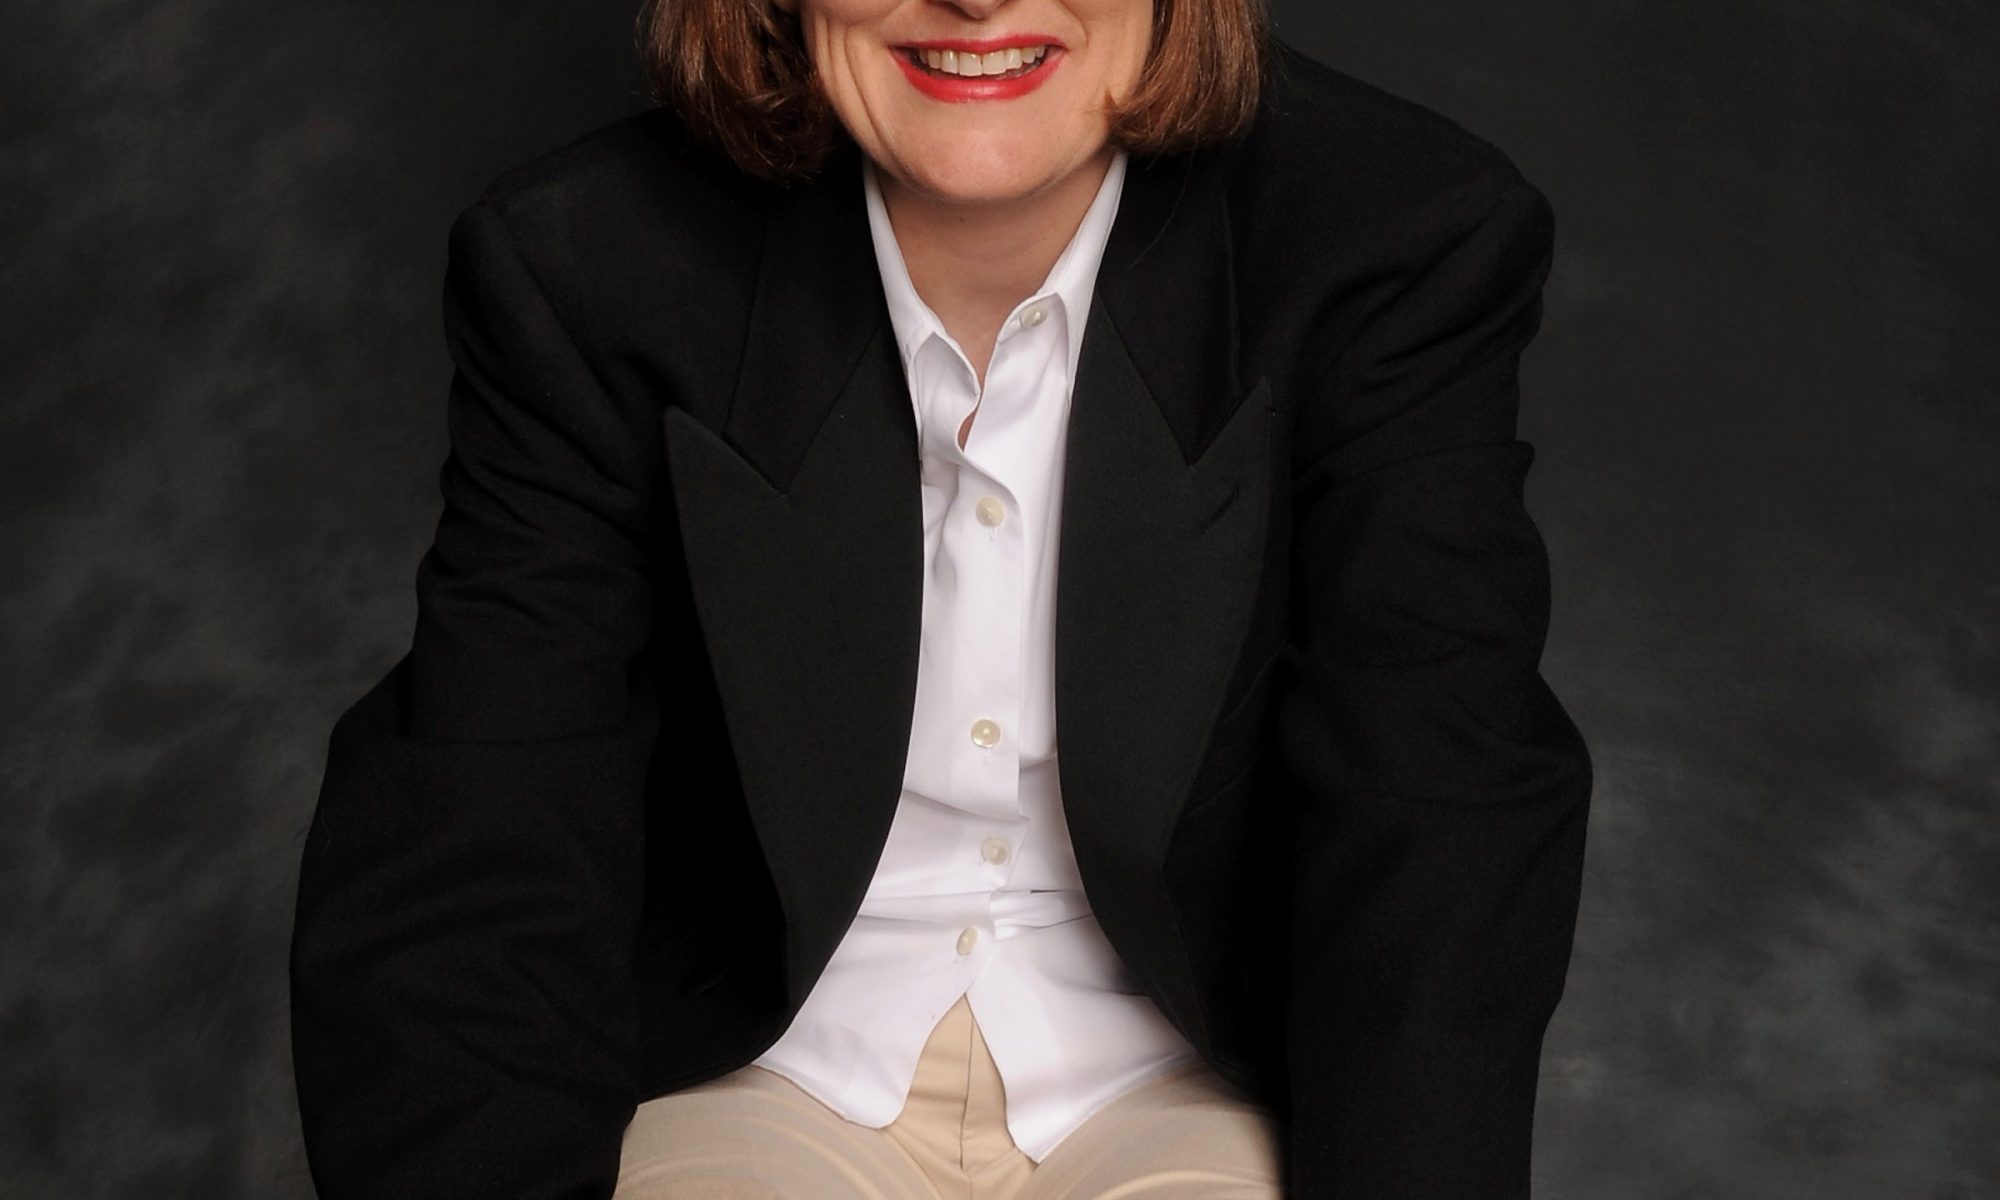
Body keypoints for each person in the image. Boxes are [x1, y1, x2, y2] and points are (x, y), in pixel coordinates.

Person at [288, 0, 1594, 1196]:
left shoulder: (1393, 233)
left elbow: (1435, 802)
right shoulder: (583, 263)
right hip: (763, 1069)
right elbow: (485, 818)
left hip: (1182, 1084)